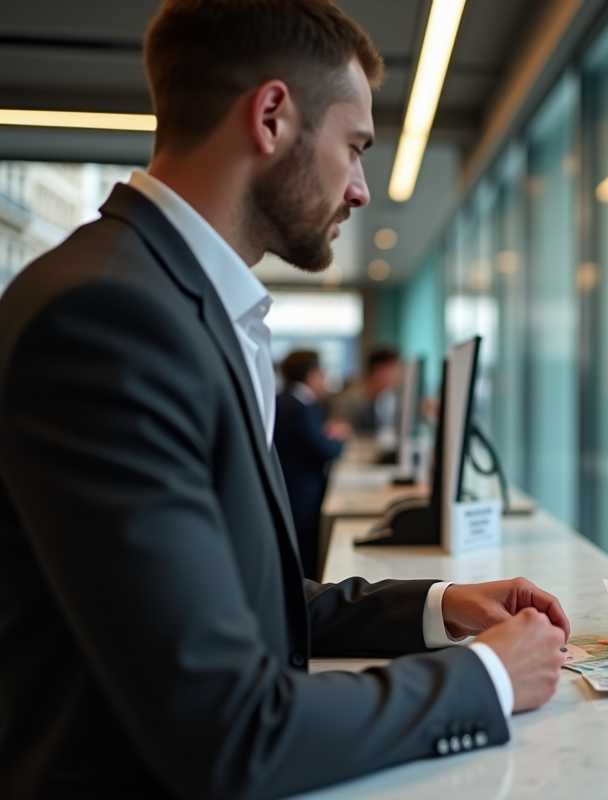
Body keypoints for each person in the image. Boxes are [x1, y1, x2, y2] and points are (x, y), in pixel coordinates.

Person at [0, 2, 568, 798]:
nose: (363, 189)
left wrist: (441, 607)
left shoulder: (170, 300)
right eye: (355, 147)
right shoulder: (109, 319)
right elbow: (229, 726)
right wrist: (489, 679)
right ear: (270, 117)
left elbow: (234, 590)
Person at [274, 350, 353, 580]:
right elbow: (325, 452)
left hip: (296, 491)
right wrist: (338, 437)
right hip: (301, 498)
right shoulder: (297, 406)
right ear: (312, 375)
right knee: (308, 566)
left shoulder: (287, 400)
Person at [334, 345, 400, 441]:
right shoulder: (350, 399)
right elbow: (338, 430)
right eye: (394, 370)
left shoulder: (384, 399)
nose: (397, 376)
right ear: (378, 371)